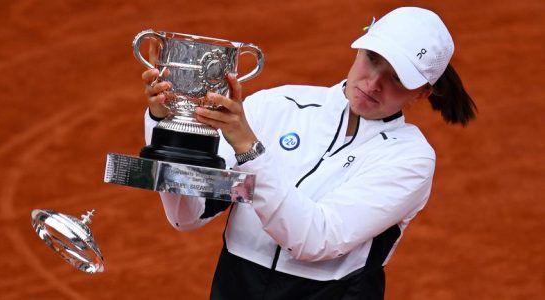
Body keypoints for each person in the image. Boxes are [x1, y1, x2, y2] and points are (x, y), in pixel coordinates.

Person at [141, 6, 476, 300]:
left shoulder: (410, 159)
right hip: (234, 286)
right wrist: (165, 126)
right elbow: (186, 215)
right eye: (373, 59)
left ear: (423, 92)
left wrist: (249, 149)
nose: (373, 83)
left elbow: (314, 239)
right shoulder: (278, 105)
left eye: (397, 78)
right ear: (360, 45)